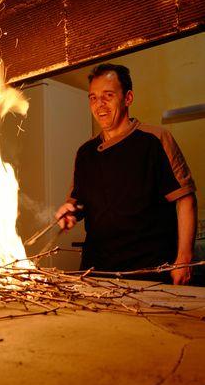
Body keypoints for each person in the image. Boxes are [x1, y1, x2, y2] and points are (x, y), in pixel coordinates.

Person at [55, 63, 197, 285]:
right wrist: (69, 212)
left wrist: (184, 259)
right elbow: (78, 203)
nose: (99, 104)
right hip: (96, 272)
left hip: (149, 273)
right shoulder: (85, 153)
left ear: (128, 98)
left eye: (108, 95)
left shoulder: (156, 140)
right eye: (93, 97)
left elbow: (185, 200)